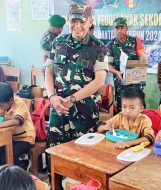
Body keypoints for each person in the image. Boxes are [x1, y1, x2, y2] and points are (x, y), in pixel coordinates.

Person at [45, 4, 108, 149]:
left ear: (90, 22)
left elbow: (99, 81)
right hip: (58, 108)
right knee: (55, 154)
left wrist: (72, 99)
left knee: (83, 156)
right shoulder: (58, 42)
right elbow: (48, 70)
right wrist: (51, 96)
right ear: (68, 21)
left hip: (84, 111)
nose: (77, 26)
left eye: (82, 21)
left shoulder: (99, 47)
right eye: (74, 21)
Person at [106, 17, 147, 112]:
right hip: (121, 84)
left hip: (136, 82)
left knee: (139, 109)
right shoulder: (110, 46)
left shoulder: (136, 41)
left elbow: (143, 57)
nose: (119, 30)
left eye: (122, 27)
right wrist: (116, 72)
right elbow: (107, 64)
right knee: (124, 110)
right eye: (117, 28)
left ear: (127, 28)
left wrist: (141, 65)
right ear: (114, 29)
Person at [0, 82, 35, 168]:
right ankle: (21, 163)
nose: (0, 108)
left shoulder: (19, 103)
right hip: (10, 138)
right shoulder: (3, 104)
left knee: (6, 156)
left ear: (11, 100)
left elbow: (17, 121)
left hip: (25, 138)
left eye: (2, 106)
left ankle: (20, 170)